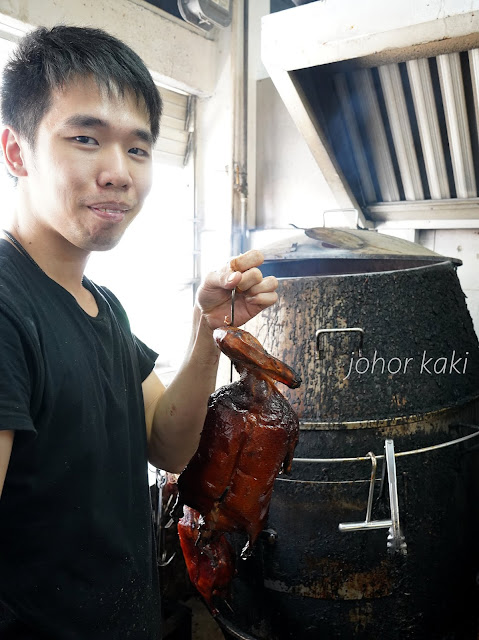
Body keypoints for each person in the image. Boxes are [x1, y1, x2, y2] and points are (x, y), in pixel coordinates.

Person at [0, 25, 278, 639]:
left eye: (138, 149)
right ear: (17, 151)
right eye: (84, 138)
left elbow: (167, 445)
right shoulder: (6, 306)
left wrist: (209, 332)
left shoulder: (103, 307)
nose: (118, 173)